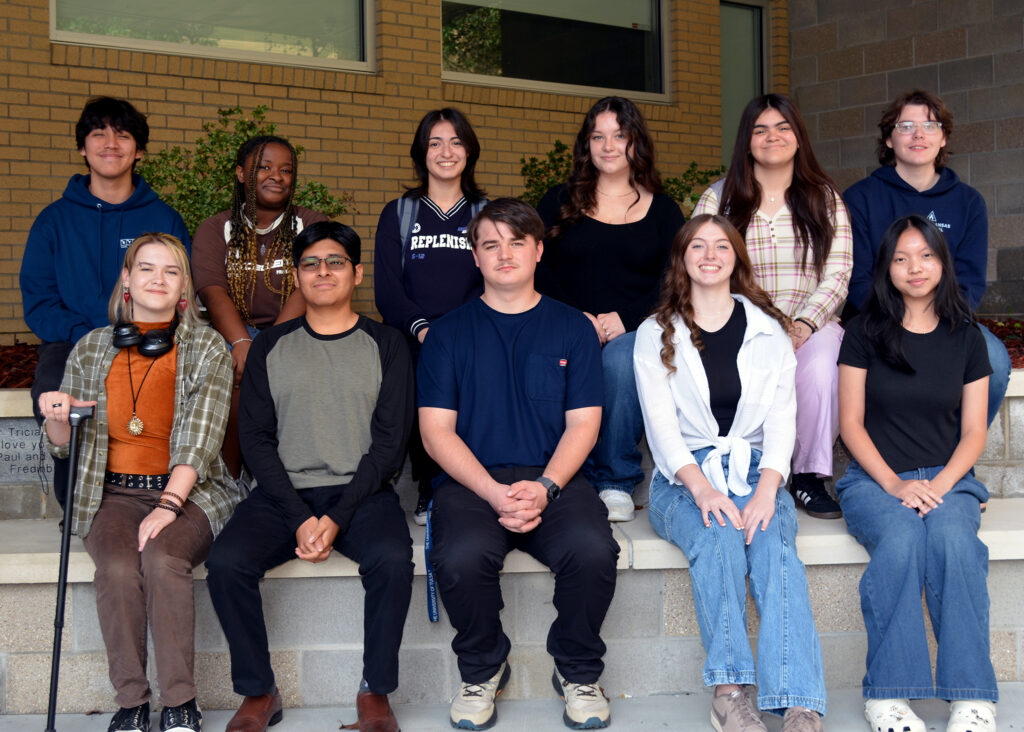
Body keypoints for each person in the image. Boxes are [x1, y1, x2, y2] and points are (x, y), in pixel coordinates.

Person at [205, 221, 414, 732]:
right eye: (311, 264)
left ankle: (375, 692)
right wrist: (300, 517)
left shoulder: (387, 344)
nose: (323, 272)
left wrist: (336, 518)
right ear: (296, 277)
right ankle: (259, 691)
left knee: (392, 559)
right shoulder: (271, 347)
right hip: (282, 495)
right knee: (227, 562)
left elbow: (390, 444)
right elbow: (255, 440)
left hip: (362, 494)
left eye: (335, 262)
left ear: (356, 272)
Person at [418, 198, 619, 730]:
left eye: (516, 242)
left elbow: (584, 424)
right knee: (459, 556)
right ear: (476, 257)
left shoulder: (573, 329)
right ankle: (484, 667)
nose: (504, 254)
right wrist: (491, 491)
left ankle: (577, 669)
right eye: (490, 244)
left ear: (538, 250)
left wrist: (547, 486)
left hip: (555, 476)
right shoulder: (447, 335)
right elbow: (436, 431)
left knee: (594, 550)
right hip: (473, 480)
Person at [635, 214, 826, 732]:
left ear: (737, 257)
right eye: (698, 245)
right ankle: (729, 692)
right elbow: (661, 430)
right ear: (682, 258)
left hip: (755, 471)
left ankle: (798, 701)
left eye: (722, 245)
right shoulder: (656, 333)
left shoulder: (768, 330)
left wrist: (767, 491)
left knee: (773, 545)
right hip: (684, 476)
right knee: (719, 536)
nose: (710, 254)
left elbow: (782, 422)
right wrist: (701, 489)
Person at [38, 233, 237, 732]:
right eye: (146, 268)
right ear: (126, 280)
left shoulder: (206, 347)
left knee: (162, 557)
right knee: (118, 569)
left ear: (183, 290)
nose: (157, 279)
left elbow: (201, 436)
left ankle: (179, 702)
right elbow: (65, 445)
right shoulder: (90, 349)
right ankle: (131, 702)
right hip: (110, 494)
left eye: (171, 271)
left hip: (188, 491)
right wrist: (56, 416)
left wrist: (168, 505)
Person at [836, 215, 996, 732]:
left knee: (952, 539)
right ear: (887, 268)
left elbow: (974, 431)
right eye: (901, 258)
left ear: (943, 263)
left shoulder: (967, 337)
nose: (915, 268)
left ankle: (972, 697)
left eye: (926, 255)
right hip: (874, 478)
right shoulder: (863, 332)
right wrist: (895, 484)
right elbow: (851, 424)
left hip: (947, 477)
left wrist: (941, 486)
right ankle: (888, 694)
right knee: (902, 538)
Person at [21, 96, 190, 506]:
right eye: (98, 134)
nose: (110, 143)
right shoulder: (54, 220)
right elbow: (40, 302)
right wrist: (86, 335)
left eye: (123, 134)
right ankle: (75, 498)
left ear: (140, 150)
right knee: (54, 390)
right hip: (73, 341)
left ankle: (166, 495)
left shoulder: (163, 218)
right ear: (83, 148)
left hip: (152, 338)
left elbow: (184, 290)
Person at [695, 93, 851, 520]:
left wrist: (802, 324)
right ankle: (749, 467)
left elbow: (838, 271)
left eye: (783, 127)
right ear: (747, 141)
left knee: (819, 370)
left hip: (812, 324)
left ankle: (805, 477)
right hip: (738, 323)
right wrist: (760, 323)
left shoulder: (825, 198)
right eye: (760, 129)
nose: (772, 137)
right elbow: (702, 264)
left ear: (798, 138)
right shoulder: (719, 200)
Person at [536, 96, 686, 522]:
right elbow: (537, 264)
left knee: (621, 361)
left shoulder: (662, 210)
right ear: (586, 145)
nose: (607, 145)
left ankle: (616, 480)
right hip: (567, 320)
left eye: (619, 136)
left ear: (635, 143)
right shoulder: (558, 200)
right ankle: (558, 472)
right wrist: (576, 315)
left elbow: (674, 278)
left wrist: (627, 317)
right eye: (597, 136)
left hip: (640, 325)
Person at [842, 89, 1011, 425]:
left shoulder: (968, 202)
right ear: (889, 139)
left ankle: (954, 457)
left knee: (994, 359)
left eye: (930, 126)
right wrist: (901, 321)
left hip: (945, 319)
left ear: (943, 137)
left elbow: (970, 282)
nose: (918, 134)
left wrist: (930, 325)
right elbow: (856, 278)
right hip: (876, 318)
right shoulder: (859, 198)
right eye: (905, 126)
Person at [374, 108, 487, 525]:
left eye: (456, 142)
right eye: (435, 142)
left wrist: (457, 329)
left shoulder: (485, 213)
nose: (446, 151)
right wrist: (422, 328)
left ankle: (464, 481)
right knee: (417, 373)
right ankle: (428, 486)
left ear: (469, 151)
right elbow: (388, 288)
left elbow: (496, 277)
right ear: (421, 153)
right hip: (413, 333)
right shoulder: (400, 212)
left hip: (473, 328)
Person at [191, 135, 328, 477]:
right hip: (232, 331)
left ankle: (292, 479)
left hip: (297, 330)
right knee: (234, 370)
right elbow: (213, 291)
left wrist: (271, 344)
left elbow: (309, 285)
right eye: (264, 167)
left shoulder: (311, 225)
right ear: (241, 174)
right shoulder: (215, 228)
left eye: (286, 170)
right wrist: (241, 343)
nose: (276, 176)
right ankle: (232, 481)